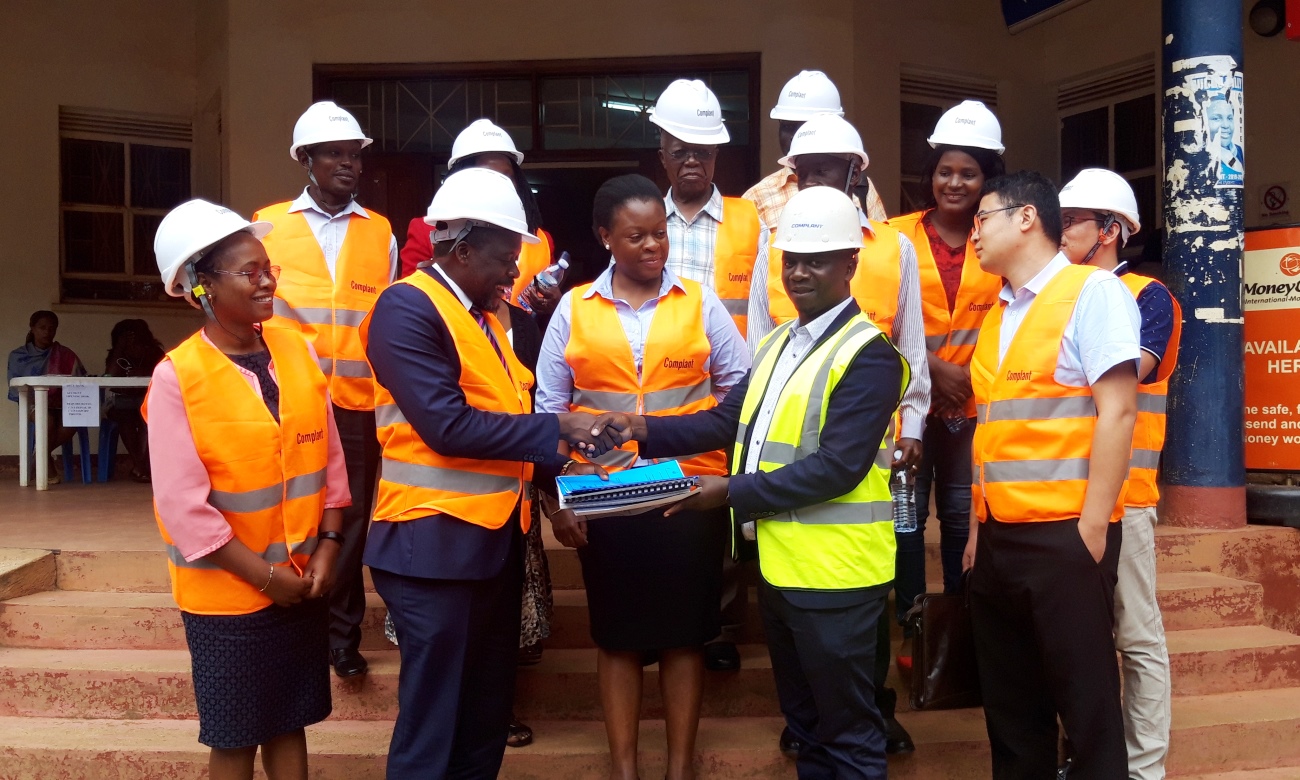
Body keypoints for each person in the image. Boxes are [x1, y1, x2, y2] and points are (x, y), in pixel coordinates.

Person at [590, 185, 908, 780]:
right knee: (809, 728)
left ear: (850, 265)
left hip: (838, 577)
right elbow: (723, 420)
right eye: (791, 260)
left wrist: (726, 493)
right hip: (784, 570)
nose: (801, 273)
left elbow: (838, 467)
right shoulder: (779, 342)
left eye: (816, 260)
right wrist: (640, 427)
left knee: (849, 735)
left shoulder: (870, 355)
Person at [360, 166, 611, 779]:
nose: (514, 275)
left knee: (483, 720)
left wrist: (594, 479)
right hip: (430, 549)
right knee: (434, 725)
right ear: (462, 248)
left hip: (492, 549)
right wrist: (559, 429)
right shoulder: (406, 308)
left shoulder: (487, 320)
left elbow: (511, 425)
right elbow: (448, 427)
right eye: (505, 259)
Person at [535, 173, 750, 780]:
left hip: (688, 496)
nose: (653, 246)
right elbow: (548, 412)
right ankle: (625, 769)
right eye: (636, 236)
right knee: (619, 638)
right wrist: (558, 503)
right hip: (602, 500)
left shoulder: (700, 301)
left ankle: (680, 768)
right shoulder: (572, 310)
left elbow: (739, 394)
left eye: (660, 234)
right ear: (605, 237)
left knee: (686, 636)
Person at [143, 199, 350, 780]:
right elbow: (184, 510)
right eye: (249, 271)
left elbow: (330, 463)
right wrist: (265, 578)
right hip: (228, 598)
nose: (266, 281)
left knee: (290, 722)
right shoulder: (176, 377)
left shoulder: (295, 348)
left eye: (268, 268)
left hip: (302, 579)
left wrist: (330, 547)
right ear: (201, 287)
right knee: (235, 740)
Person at [745, 110, 930, 757]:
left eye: (828, 166)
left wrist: (915, 421)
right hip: (783, 513)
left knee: (868, 608)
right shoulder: (779, 244)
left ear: (856, 170)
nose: (816, 177)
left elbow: (911, 343)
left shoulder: (890, 247)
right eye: (805, 168)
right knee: (812, 706)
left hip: (861, 455)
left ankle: (876, 709)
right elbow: (754, 356)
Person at [964, 171, 1140, 780]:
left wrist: (1092, 529)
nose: (973, 233)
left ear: (1026, 217)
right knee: (1012, 716)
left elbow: (1117, 411)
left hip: (1067, 536)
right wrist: (974, 534)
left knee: (1087, 709)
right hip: (998, 540)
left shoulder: (1092, 293)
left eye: (982, 217)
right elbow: (990, 435)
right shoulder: (998, 315)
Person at [253, 100, 398, 680]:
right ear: (306, 159)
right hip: (289, 397)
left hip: (360, 403)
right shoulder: (268, 224)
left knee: (353, 517)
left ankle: (342, 638)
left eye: (354, 154)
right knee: (294, 510)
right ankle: (292, 618)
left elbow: (385, 316)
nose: (348, 164)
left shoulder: (380, 231)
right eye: (334, 153)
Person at [1059, 167, 1181, 780]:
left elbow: (1134, 368)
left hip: (1126, 496)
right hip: (1058, 492)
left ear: (1109, 231)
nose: (1060, 233)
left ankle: (1145, 770)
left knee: (1135, 634)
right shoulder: (1054, 296)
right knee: (1072, 639)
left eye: (1072, 222)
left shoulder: (1149, 298)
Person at [649, 77, 769, 674]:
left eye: (703, 150)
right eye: (680, 149)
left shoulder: (751, 221)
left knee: (724, 511)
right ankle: (665, 623)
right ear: (662, 153)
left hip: (736, 391)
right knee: (667, 510)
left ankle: (719, 626)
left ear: (719, 155)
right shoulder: (645, 220)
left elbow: (772, 307)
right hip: (668, 396)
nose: (691, 160)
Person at [887, 99, 1006, 662]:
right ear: (928, 175)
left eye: (968, 173)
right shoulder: (893, 236)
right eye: (944, 171)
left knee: (961, 520)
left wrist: (965, 382)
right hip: (907, 405)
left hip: (972, 408)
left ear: (988, 179)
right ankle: (913, 628)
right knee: (905, 520)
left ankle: (956, 635)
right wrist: (934, 369)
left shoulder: (1002, 237)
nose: (954, 183)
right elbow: (870, 316)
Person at [399, 119, 562, 320]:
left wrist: (553, 303)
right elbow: (411, 299)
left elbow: (544, 295)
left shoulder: (541, 240)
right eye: (487, 174)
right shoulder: (427, 230)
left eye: (506, 176)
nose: (497, 183)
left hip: (518, 343)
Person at [743, 70, 888, 228]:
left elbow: (880, 246)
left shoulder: (861, 188)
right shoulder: (757, 198)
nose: (795, 137)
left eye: (805, 127)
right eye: (787, 126)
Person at [7, 310, 87, 483]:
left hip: (62, 404)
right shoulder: (18, 356)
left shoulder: (65, 354)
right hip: (31, 404)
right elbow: (16, 387)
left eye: (52, 328)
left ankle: (39, 457)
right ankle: (45, 463)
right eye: (42, 327)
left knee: (75, 420)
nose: (47, 332)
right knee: (47, 419)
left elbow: (81, 381)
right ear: (32, 328)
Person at [104, 319, 165, 482]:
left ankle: (141, 466)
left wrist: (143, 371)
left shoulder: (154, 353)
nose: (131, 341)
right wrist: (119, 349)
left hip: (148, 401)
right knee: (126, 419)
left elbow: (165, 375)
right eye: (125, 337)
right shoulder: (117, 354)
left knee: (149, 419)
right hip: (121, 402)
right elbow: (108, 377)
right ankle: (140, 465)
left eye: (134, 337)